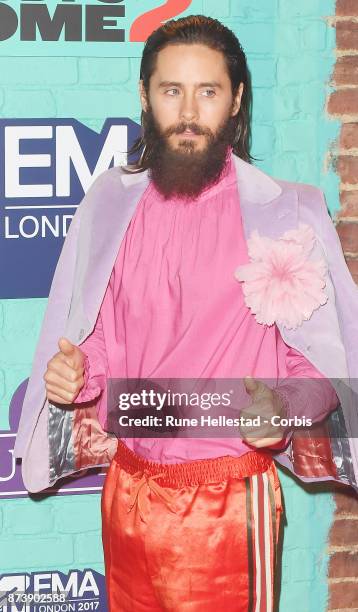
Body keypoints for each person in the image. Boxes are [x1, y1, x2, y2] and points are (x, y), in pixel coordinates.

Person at [14, 14, 358, 612]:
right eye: (172, 90)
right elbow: (101, 340)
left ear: (237, 99)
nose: (190, 111)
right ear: (144, 96)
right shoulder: (109, 204)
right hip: (127, 490)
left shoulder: (287, 214)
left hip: (228, 503)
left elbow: (322, 366)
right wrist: (76, 373)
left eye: (209, 91)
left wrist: (283, 406)